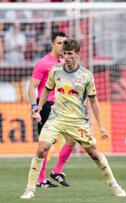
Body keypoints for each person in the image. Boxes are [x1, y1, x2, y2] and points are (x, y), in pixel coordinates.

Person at [20, 39, 126, 199]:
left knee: (95, 154)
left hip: (77, 121)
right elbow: (46, 89)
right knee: (42, 149)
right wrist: (38, 107)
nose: (66, 57)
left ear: (77, 55)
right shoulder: (55, 72)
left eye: (70, 54)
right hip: (56, 118)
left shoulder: (85, 75)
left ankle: (114, 184)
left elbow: (93, 101)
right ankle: (29, 189)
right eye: (64, 54)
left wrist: (101, 126)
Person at [28, 31, 76, 188]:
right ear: (52, 44)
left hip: (64, 106)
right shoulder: (43, 63)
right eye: (59, 43)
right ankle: (40, 180)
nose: (62, 46)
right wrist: (34, 108)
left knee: (72, 139)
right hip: (47, 105)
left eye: (64, 43)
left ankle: (56, 171)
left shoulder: (67, 64)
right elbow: (32, 87)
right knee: (45, 144)